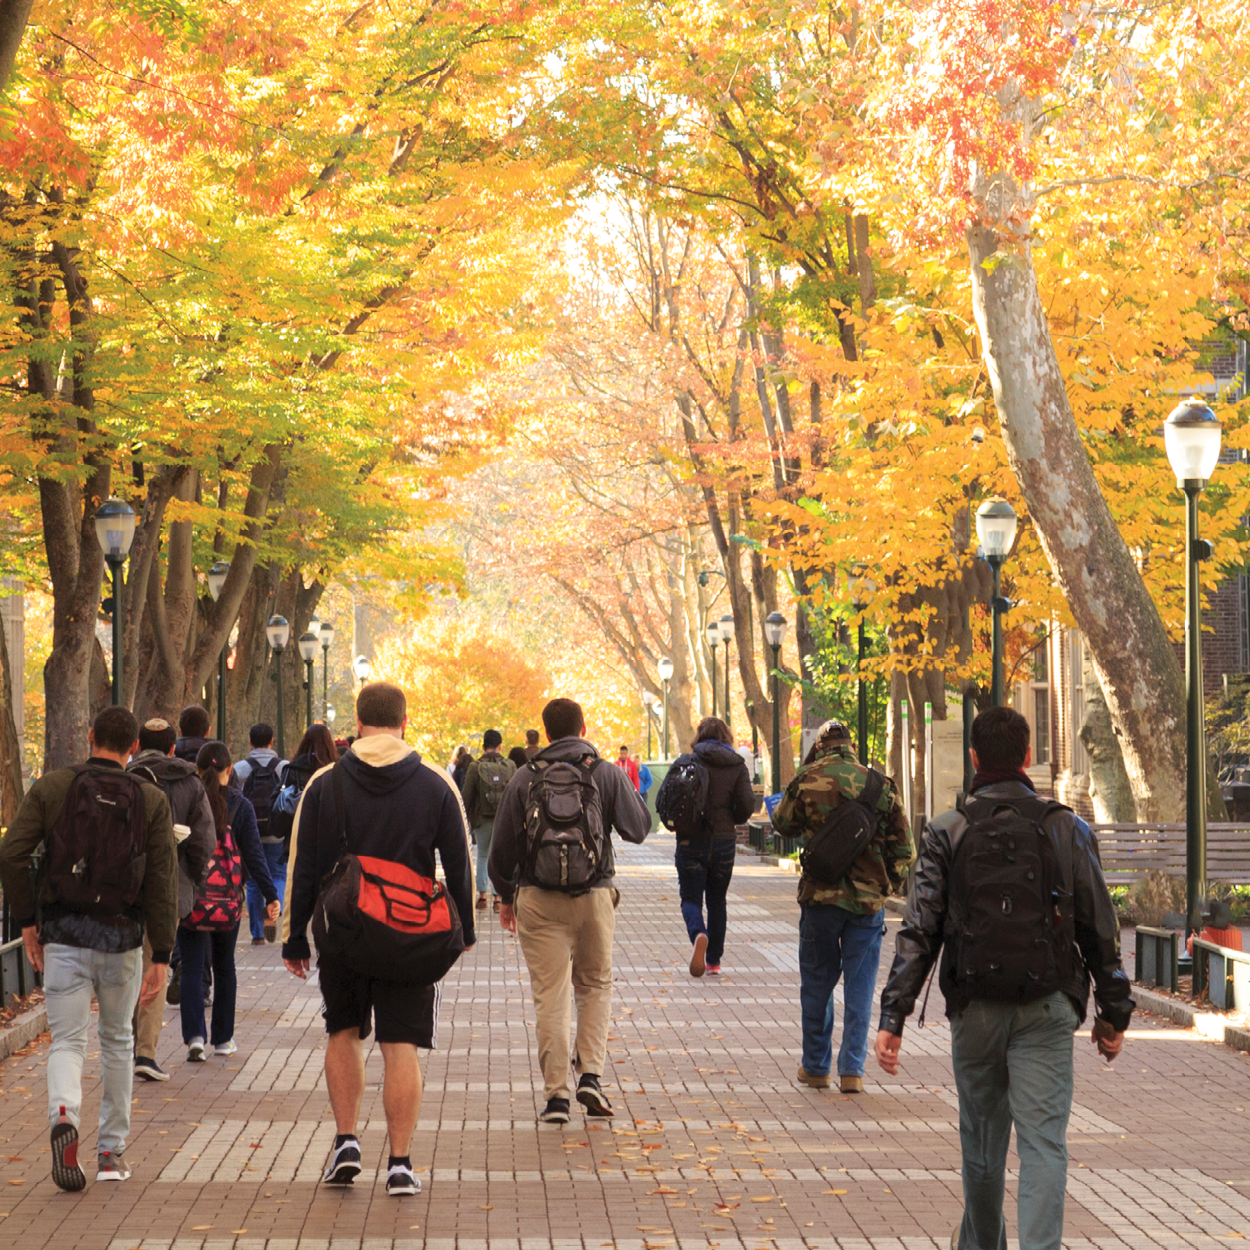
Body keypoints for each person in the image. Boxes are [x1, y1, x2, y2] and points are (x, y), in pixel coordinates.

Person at [875, 706, 1133, 1250]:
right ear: (1027, 755)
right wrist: (1114, 1013)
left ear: (974, 758)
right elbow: (1098, 925)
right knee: (1043, 1145)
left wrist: (893, 1014)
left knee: (984, 1146)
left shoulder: (947, 831)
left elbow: (920, 929)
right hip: (1046, 1006)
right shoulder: (1066, 827)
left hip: (975, 1008)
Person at [282, 681, 475, 1196]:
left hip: (343, 932)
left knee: (342, 1032)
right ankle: (401, 1163)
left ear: (359, 723)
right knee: (400, 1044)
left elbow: (302, 865)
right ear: (404, 722)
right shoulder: (435, 783)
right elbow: (459, 864)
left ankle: (346, 1141)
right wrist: (465, 933)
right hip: (409, 936)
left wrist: (295, 937)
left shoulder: (326, 784)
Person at [0, 707, 177, 1189]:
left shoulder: (55, 787)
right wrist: (161, 953)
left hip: (64, 936)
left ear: (92, 736)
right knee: (118, 1040)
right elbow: (162, 880)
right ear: (134, 748)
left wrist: (30, 924)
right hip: (121, 940)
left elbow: (12, 853)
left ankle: (63, 1111)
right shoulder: (150, 799)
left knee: (67, 1040)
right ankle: (111, 1154)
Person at [490, 698, 651, 1124]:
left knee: (551, 995)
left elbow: (499, 852)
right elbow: (639, 828)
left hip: (538, 901)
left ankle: (557, 1096)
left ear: (545, 733)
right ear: (583, 726)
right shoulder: (604, 772)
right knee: (595, 985)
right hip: (595, 896)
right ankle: (591, 1076)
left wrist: (507, 897)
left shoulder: (526, 777)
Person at [771, 718, 914, 1094]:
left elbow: (781, 823)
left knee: (816, 983)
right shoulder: (879, 784)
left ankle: (816, 1067)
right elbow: (905, 849)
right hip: (867, 905)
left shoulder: (806, 778)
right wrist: (888, 885)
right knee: (861, 986)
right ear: (851, 744)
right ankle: (852, 1069)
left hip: (819, 899)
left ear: (820, 746)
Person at [126, 717, 216, 1081]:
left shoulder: (124, 776)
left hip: (122, 887)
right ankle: (145, 1051)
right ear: (173, 748)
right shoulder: (190, 783)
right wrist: (193, 877)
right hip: (169, 887)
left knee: (125, 966)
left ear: (136, 745)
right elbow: (203, 839)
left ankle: (124, 1045)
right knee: (155, 964)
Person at [177, 741, 279, 1063]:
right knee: (224, 967)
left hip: (191, 896)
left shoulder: (187, 801)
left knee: (192, 965)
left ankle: (194, 1036)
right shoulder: (241, 805)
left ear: (197, 768)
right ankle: (223, 1038)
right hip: (227, 900)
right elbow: (254, 855)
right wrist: (270, 894)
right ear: (229, 769)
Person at [672, 718, 754, 977]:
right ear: (726, 736)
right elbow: (746, 806)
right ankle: (713, 961)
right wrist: (730, 819)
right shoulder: (737, 765)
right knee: (717, 900)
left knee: (690, 898)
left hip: (690, 840)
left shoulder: (687, 761)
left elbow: (669, 799)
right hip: (723, 842)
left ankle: (698, 933)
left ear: (699, 736)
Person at [233, 723, 288, 944]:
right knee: (278, 875)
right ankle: (274, 910)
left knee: (254, 881)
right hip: (277, 831)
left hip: (250, 832)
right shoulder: (283, 767)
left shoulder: (239, 768)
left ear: (250, 741)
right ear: (272, 741)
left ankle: (256, 934)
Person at [462, 729, 517, 912]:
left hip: (482, 819)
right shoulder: (510, 766)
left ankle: (482, 897)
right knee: (500, 858)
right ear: (500, 746)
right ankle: (498, 898)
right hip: (504, 820)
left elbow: (466, 796)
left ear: (484, 747)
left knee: (483, 856)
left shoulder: (475, 767)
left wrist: (466, 820)